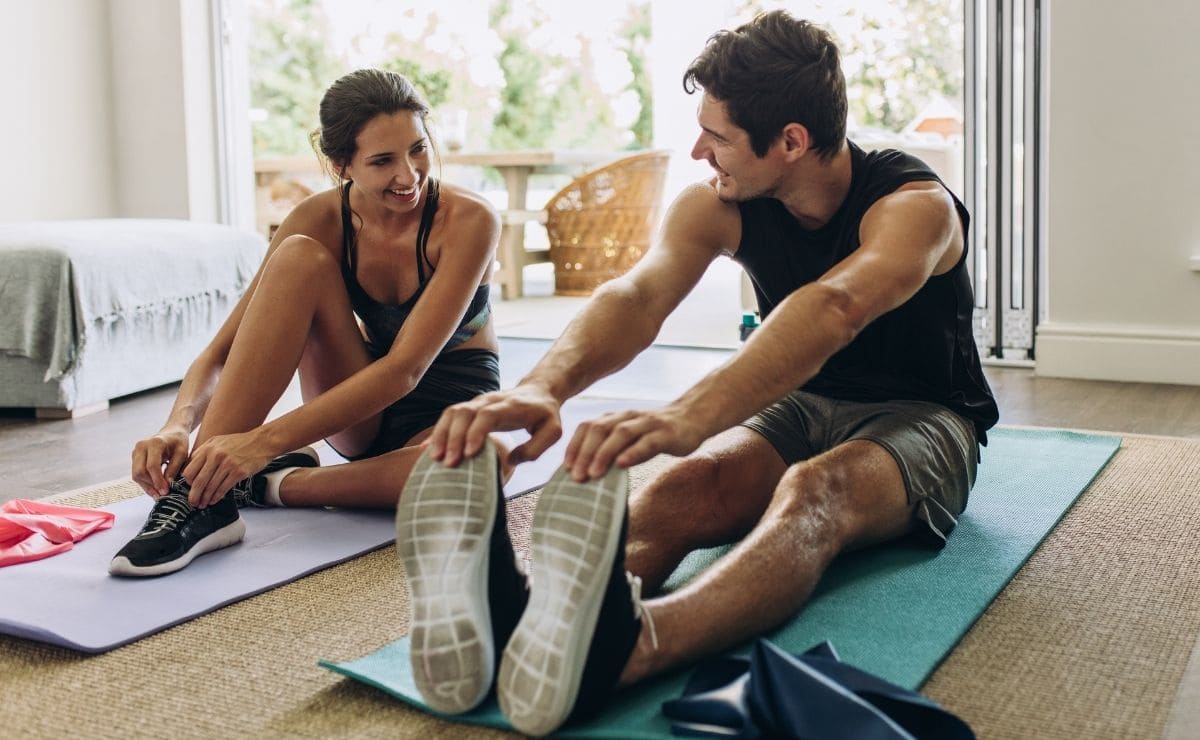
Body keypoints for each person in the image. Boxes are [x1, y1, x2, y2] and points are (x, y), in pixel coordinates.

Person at [396, 9, 1000, 736]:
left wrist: (689, 414)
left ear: (791, 143)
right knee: (689, 483)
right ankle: (522, 616)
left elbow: (836, 306)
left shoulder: (916, 209)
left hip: (926, 417)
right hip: (806, 402)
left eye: (716, 136)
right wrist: (541, 386)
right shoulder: (723, 203)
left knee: (815, 492)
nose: (696, 150)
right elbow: (639, 294)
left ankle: (633, 647)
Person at [109, 68, 504, 578]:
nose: (409, 175)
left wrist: (261, 447)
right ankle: (200, 500)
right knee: (297, 257)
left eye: (418, 149)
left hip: (448, 405)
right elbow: (221, 351)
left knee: (480, 467)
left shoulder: (471, 220)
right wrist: (177, 425)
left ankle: (264, 485)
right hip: (359, 399)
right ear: (341, 165)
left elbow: (405, 370)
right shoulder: (319, 219)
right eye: (382, 161)